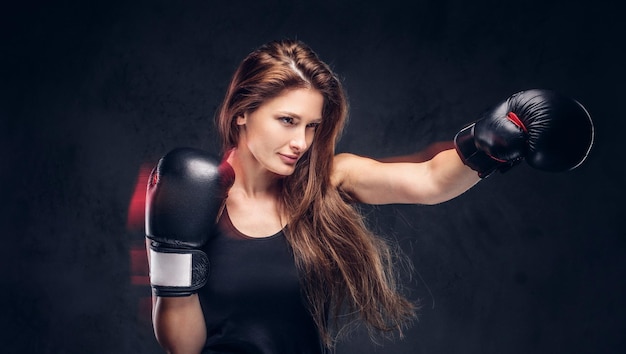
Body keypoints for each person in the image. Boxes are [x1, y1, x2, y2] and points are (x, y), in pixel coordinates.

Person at [144, 39, 594, 353]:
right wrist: (170, 256)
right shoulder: (190, 197)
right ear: (242, 112)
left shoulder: (328, 180)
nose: (301, 141)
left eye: (312, 126)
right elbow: (184, 348)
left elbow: (431, 181)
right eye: (287, 120)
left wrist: (491, 139)